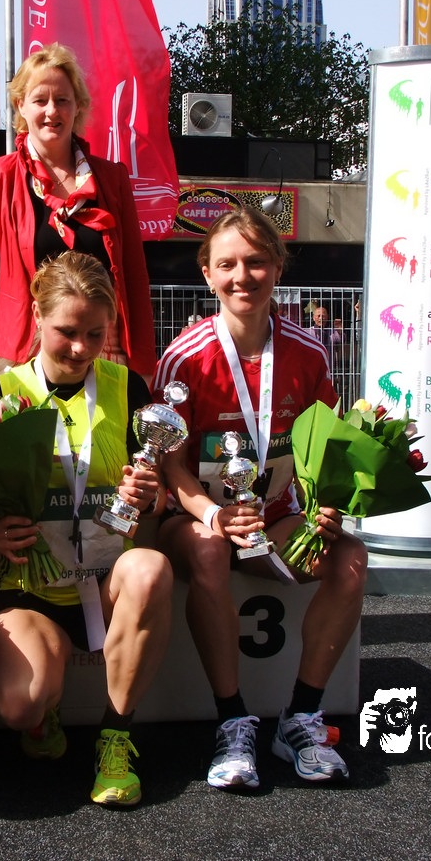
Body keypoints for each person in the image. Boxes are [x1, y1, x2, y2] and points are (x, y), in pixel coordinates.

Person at [155, 207, 367, 789]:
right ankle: (232, 721)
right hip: (196, 519)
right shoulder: (184, 358)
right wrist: (214, 514)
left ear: (277, 267)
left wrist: (328, 504)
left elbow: (323, 449)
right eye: (226, 264)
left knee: (350, 559)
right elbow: (170, 466)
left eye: (255, 262)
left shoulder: (309, 352)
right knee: (207, 551)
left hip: (272, 521)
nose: (241, 276)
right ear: (206, 274)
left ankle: (301, 716)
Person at [0, 251, 173, 807]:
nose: (81, 348)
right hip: (33, 590)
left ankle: (115, 737)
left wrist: (150, 496)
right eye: (67, 332)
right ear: (37, 315)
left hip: (108, 584)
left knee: (151, 569)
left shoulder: (129, 388)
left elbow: (158, 493)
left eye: (95, 334)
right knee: (20, 704)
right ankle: (44, 711)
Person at [0, 42, 156, 406]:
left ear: (78, 107)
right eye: (40, 100)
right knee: (26, 445)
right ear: (20, 106)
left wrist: (144, 361)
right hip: (20, 351)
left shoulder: (112, 179)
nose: (52, 111)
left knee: (102, 443)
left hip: (100, 347)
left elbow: (135, 275)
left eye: (62, 100)